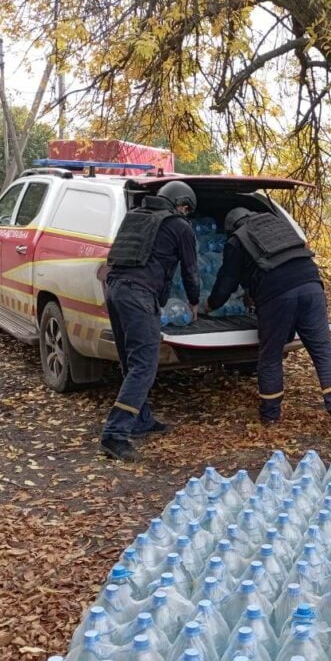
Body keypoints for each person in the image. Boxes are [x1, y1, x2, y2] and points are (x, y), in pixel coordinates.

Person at [204, 205, 331, 432]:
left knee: (270, 355)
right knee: (324, 351)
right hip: (312, 286)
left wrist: (210, 306)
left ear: (231, 226)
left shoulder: (237, 240)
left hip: (277, 297)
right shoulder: (278, 224)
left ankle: (270, 415)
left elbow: (227, 282)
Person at [99, 180, 201, 462]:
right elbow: (191, 270)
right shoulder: (180, 226)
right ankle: (114, 435)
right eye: (185, 208)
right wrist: (194, 301)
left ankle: (142, 419)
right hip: (140, 296)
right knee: (145, 365)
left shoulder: (134, 217)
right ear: (180, 203)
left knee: (131, 362)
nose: (185, 212)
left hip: (116, 290)